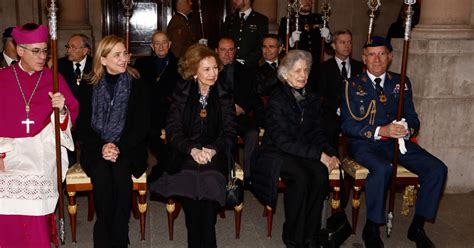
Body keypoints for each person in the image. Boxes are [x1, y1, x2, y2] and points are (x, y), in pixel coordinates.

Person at [340, 36, 447, 248]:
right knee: (382, 169)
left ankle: (417, 227)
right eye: (372, 54)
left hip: (397, 143)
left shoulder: (401, 82)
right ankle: (372, 226)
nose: (377, 59)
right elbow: (347, 125)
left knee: (437, 169)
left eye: (382, 54)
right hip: (365, 143)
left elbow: (412, 116)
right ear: (364, 58)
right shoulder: (351, 85)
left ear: (390, 57)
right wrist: (382, 130)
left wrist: (407, 128)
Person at [150, 44, 237, 248]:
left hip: (215, 153)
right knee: (190, 186)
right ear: (194, 72)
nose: (213, 73)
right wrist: (192, 149)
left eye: (215, 68)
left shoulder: (224, 93)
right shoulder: (182, 91)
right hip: (185, 152)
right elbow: (173, 130)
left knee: (207, 188)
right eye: (206, 69)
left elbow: (230, 131)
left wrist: (213, 149)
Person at [0, 23, 78, 247]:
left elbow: (70, 118)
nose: (42, 56)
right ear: (20, 50)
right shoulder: (3, 78)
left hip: (42, 149)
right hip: (7, 151)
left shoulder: (53, 79)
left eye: (45, 50)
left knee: (37, 177)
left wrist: (61, 109)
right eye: (36, 51)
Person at [251, 49, 340, 248]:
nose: (303, 75)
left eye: (306, 70)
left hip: (302, 150)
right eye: (297, 71)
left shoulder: (311, 98)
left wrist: (330, 153)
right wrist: (319, 154)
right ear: (285, 74)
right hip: (277, 153)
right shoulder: (277, 99)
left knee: (319, 174)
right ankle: (293, 237)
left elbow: (317, 132)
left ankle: (311, 234)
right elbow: (282, 141)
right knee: (300, 177)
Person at [77, 35, 150, 247]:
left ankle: (119, 235)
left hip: (128, 147)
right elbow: (82, 126)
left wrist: (117, 147)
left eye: (124, 54)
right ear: (103, 59)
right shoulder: (88, 85)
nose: (123, 59)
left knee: (119, 174)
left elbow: (141, 126)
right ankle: (104, 234)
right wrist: (103, 147)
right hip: (96, 148)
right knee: (101, 175)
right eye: (116, 55)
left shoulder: (137, 83)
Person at [134, 31, 180, 181]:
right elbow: (138, 89)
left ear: (170, 44)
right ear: (152, 46)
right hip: (150, 110)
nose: (161, 46)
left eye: (164, 42)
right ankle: (167, 166)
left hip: (173, 110)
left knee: (177, 136)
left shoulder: (180, 64)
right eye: (157, 43)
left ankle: (160, 170)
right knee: (152, 134)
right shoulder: (142, 64)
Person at [216, 36, 263, 182]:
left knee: (253, 132)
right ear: (216, 51)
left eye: (230, 50)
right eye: (223, 50)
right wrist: (227, 108)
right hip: (218, 117)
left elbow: (254, 98)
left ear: (235, 51)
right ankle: (225, 173)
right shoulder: (210, 70)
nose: (227, 54)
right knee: (222, 135)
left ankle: (249, 176)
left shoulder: (247, 72)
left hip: (240, 116)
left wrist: (243, 107)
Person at [316, 30, 364, 152]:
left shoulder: (360, 67)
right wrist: (338, 109)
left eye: (349, 42)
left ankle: (357, 161)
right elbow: (321, 95)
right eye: (342, 42)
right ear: (333, 46)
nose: (347, 46)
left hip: (356, 112)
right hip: (333, 112)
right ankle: (333, 163)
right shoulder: (324, 68)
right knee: (329, 128)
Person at [278, 0, 331, 70]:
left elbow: (330, 46)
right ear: (295, 2)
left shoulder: (319, 19)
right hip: (296, 65)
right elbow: (281, 45)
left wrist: (328, 37)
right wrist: (291, 41)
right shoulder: (287, 20)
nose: (307, 2)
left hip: (316, 66)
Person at [222, 0, 268, 67]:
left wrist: (246, 61)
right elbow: (224, 40)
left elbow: (262, 44)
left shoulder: (260, 20)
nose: (234, 1)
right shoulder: (230, 19)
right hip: (230, 65)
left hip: (250, 66)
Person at [58, 34, 93, 98]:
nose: (69, 50)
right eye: (68, 47)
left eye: (73, 47)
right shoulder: (60, 65)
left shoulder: (95, 65)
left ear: (84, 51)